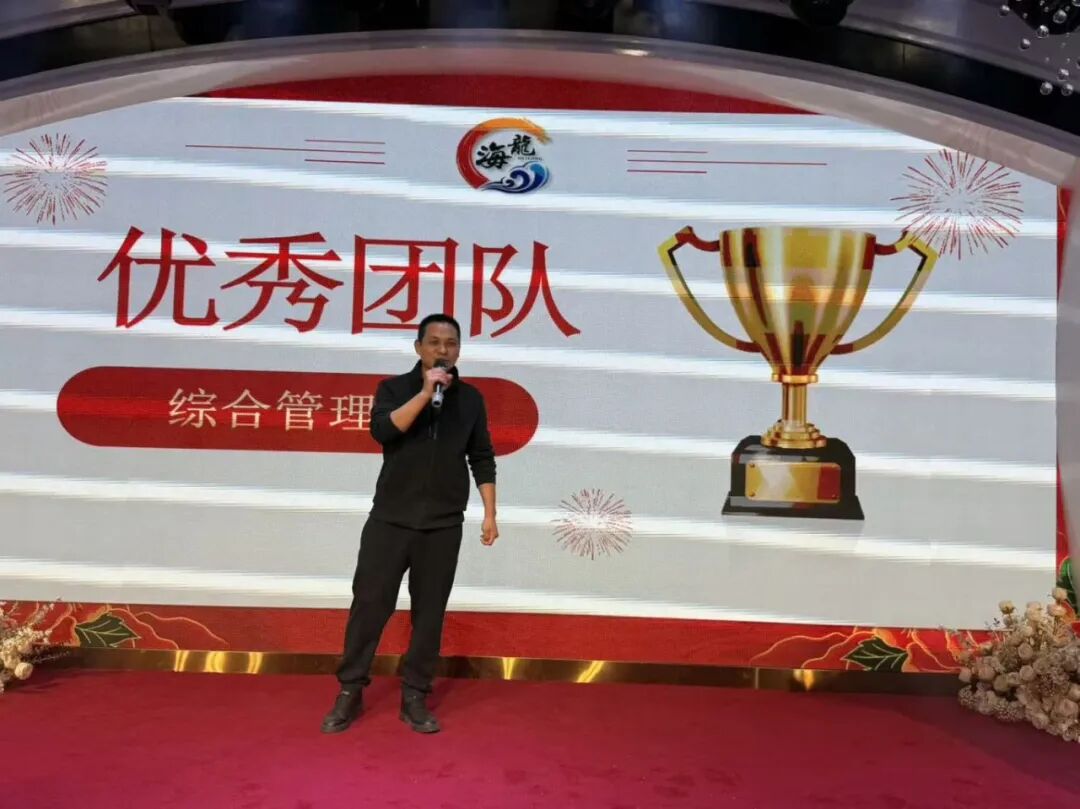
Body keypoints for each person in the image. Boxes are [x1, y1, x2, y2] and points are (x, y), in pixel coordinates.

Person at [321, 313, 499, 735]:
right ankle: (350, 689)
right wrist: (424, 393)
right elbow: (383, 431)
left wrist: (490, 513)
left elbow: (481, 456)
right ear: (419, 348)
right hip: (390, 520)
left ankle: (415, 695)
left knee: (429, 614)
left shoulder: (471, 399)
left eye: (450, 343)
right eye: (434, 342)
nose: (442, 350)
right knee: (369, 605)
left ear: (459, 351)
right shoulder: (394, 389)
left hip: (442, 525)